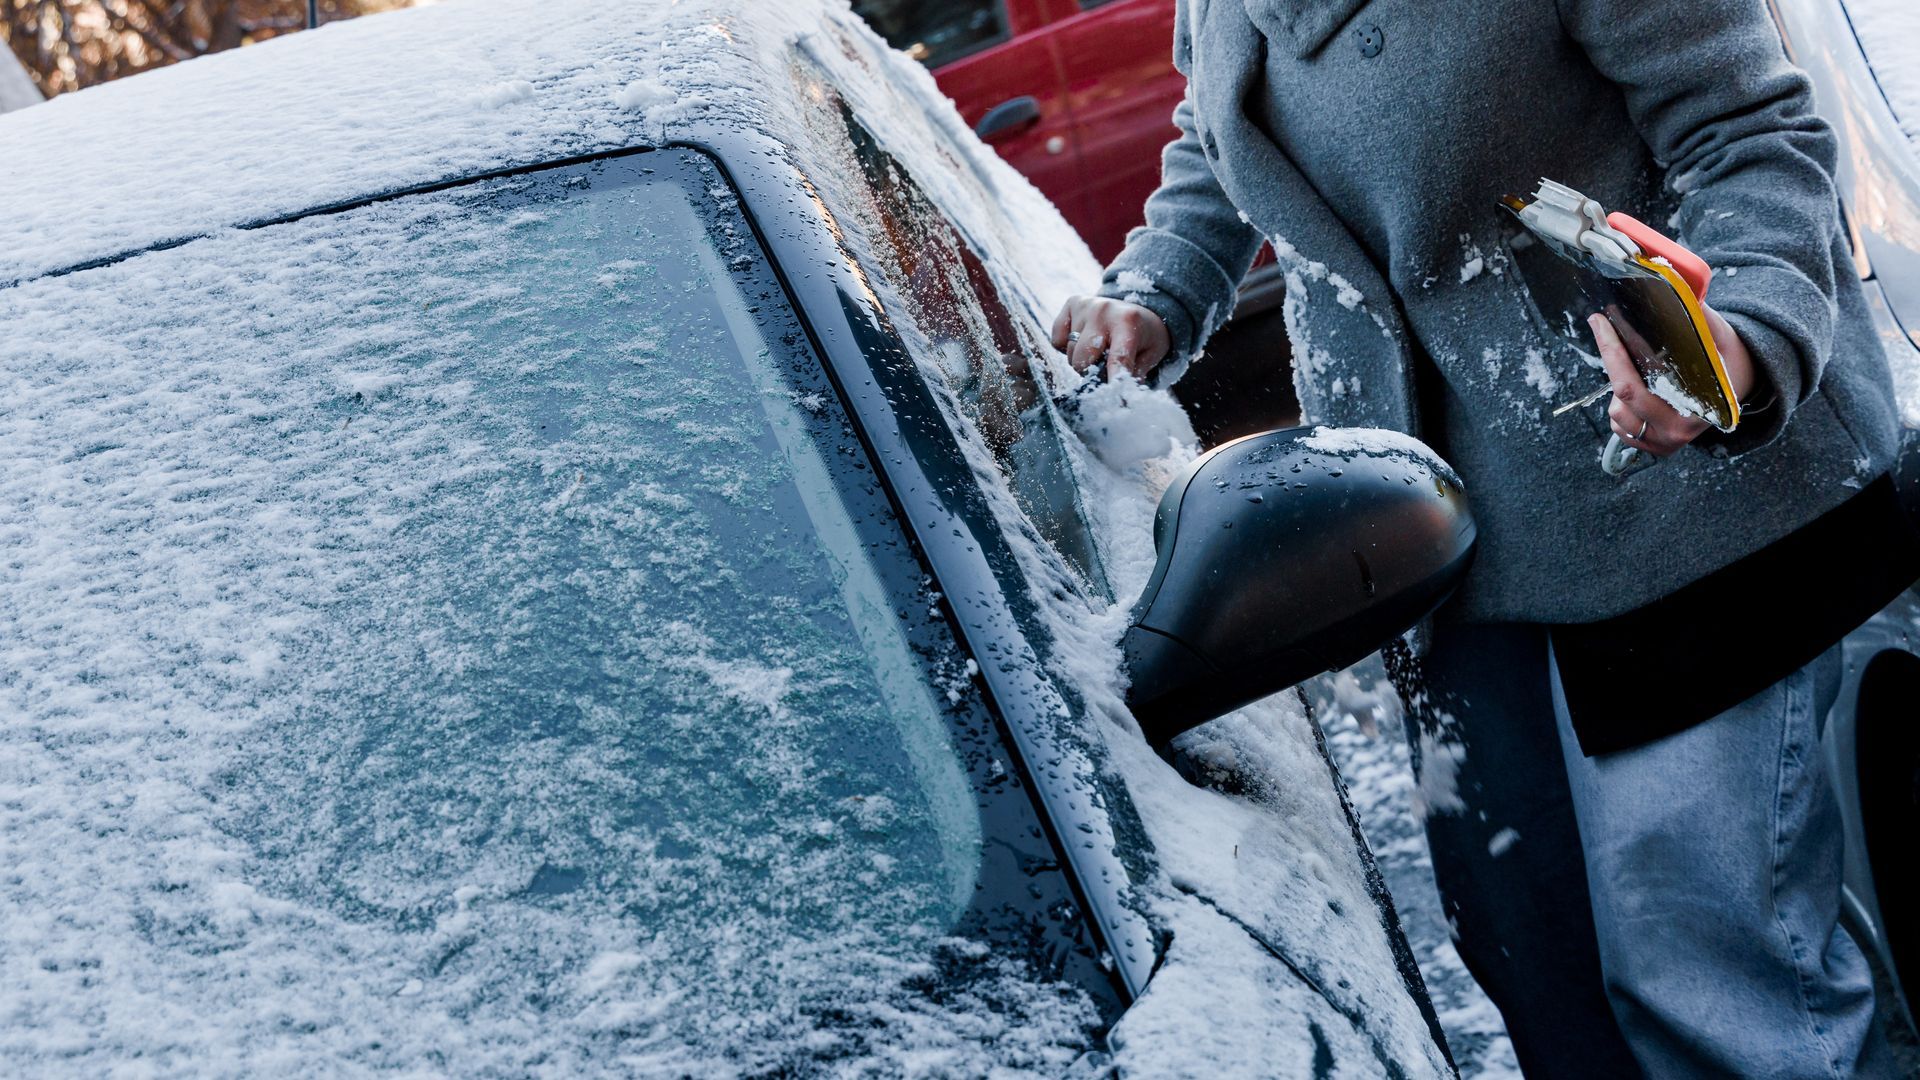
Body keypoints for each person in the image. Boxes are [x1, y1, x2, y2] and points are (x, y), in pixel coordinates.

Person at [1050, 1, 1920, 1076]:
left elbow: (1752, 134)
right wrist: (1157, 292)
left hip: (1683, 512)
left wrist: (1738, 342)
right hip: (1439, 542)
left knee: (1714, 980)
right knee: (1534, 960)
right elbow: (1221, 130)